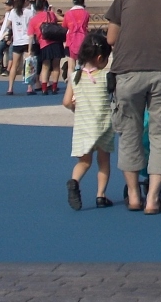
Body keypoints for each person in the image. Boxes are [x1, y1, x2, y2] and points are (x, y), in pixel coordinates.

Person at [105, 0, 161, 214]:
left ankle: (133, 195)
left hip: (127, 72)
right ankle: (153, 198)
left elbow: (111, 38)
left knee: (129, 131)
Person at [63, 30, 115, 210]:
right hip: (102, 125)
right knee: (104, 160)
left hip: (83, 125)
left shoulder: (75, 77)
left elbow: (66, 102)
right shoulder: (105, 76)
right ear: (100, 57)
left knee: (84, 161)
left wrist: (75, 107)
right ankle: (101, 195)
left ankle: (74, 181)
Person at [0, 0, 35, 95]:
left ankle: (10, 88)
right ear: (25, 1)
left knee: (14, 65)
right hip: (28, 40)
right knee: (29, 64)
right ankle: (29, 87)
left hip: (17, 41)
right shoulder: (29, 12)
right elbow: (33, 26)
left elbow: (8, 24)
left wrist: (14, 30)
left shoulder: (13, 12)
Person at [28, 0, 64, 95]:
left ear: (34, 8)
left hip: (44, 43)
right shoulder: (50, 14)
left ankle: (44, 88)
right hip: (56, 41)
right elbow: (61, 19)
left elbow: (31, 36)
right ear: (44, 6)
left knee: (45, 66)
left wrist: (29, 50)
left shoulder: (33, 20)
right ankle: (54, 87)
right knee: (56, 65)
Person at [0, 0, 16, 75]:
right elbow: (3, 20)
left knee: (10, 52)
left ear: (12, 6)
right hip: (4, 36)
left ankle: (8, 69)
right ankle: (1, 67)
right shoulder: (7, 13)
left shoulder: (14, 13)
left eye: (7, 5)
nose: (5, 6)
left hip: (10, 36)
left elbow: (13, 26)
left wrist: (10, 37)